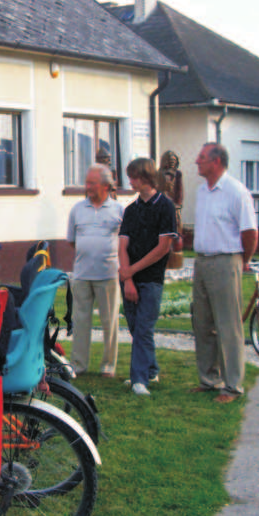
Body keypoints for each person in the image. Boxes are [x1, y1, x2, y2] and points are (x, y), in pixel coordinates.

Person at [189, 143, 258, 404]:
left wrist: (244, 260)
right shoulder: (202, 192)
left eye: (202, 157)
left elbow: (250, 232)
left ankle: (232, 386)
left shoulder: (236, 192)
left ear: (216, 162)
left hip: (225, 261)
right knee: (203, 323)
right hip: (202, 261)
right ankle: (208, 379)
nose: (197, 161)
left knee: (228, 325)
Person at [118, 157, 176, 396]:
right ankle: (150, 369)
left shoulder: (166, 206)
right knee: (134, 326)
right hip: (130, 278)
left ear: (145, 177)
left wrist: (133, 270)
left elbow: (163, 247)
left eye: (133, 176)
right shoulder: (131, 210)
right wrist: (128, 277)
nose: (130, 181)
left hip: (152, 278)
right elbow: (122, 245)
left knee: (143, 328)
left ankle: (139, 379)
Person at [66, 164, 124, 377]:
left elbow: (125, 241)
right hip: (82, 274)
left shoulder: (118, 210)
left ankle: (108, 366)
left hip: (108, 274)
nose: (87, 186)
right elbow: (72, 240)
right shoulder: (77, 209)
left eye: (92, 183)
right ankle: (79, 365)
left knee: (110, 321)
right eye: (87, 182)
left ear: (106, 186)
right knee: (80, 321)